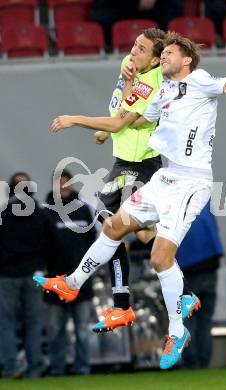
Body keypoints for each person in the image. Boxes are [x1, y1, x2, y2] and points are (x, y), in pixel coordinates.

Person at [34, 32, 226, 369]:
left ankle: (176, 330)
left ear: (186, 60)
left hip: (191, 181)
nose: (164, 58)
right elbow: (133, 120)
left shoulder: (200, 80)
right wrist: (113, 119)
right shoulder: (161, 90)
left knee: (161, 256)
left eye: (170, 54)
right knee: (114, 226)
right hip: (165, 177)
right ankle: (73, 282)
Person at [47, 28, 200, 334]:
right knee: (139, 235)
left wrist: (74, 119)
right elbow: (120, 113)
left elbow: (122, 120)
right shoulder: (130, 67)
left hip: (139, 165)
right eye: (134, 46)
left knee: (109, 224)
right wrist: (108, 131)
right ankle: (175, 295)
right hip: (124, 162)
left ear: (156, 60)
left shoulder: (153, 82)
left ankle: (120, 303)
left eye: (142, 50)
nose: (133, 52)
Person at [0, 172, 57, 378]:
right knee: (33, 322)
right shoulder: (41, 214)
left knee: (6, 323)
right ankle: (34, 368)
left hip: (7, 275)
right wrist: (46, 267)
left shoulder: (4, 213)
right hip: (34, 273)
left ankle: (10, 368)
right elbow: (52, 243)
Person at [43, 170, 97, 376]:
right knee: (56, 330)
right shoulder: (45, 211)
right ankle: (57, 370)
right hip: (55, 281)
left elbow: (94, 243)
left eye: (66, 183)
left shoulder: (85, 210)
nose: (63, 187)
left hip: (81, 282)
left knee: (82, 331)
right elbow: (41, 245)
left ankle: (83, 369)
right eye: (59, 184)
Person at [176, 200, 224, 369]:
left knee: (187, 320)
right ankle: (204, 364)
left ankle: (191, 364)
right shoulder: (204, 202)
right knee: (205, 321)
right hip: (210, 265)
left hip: (188, 270)